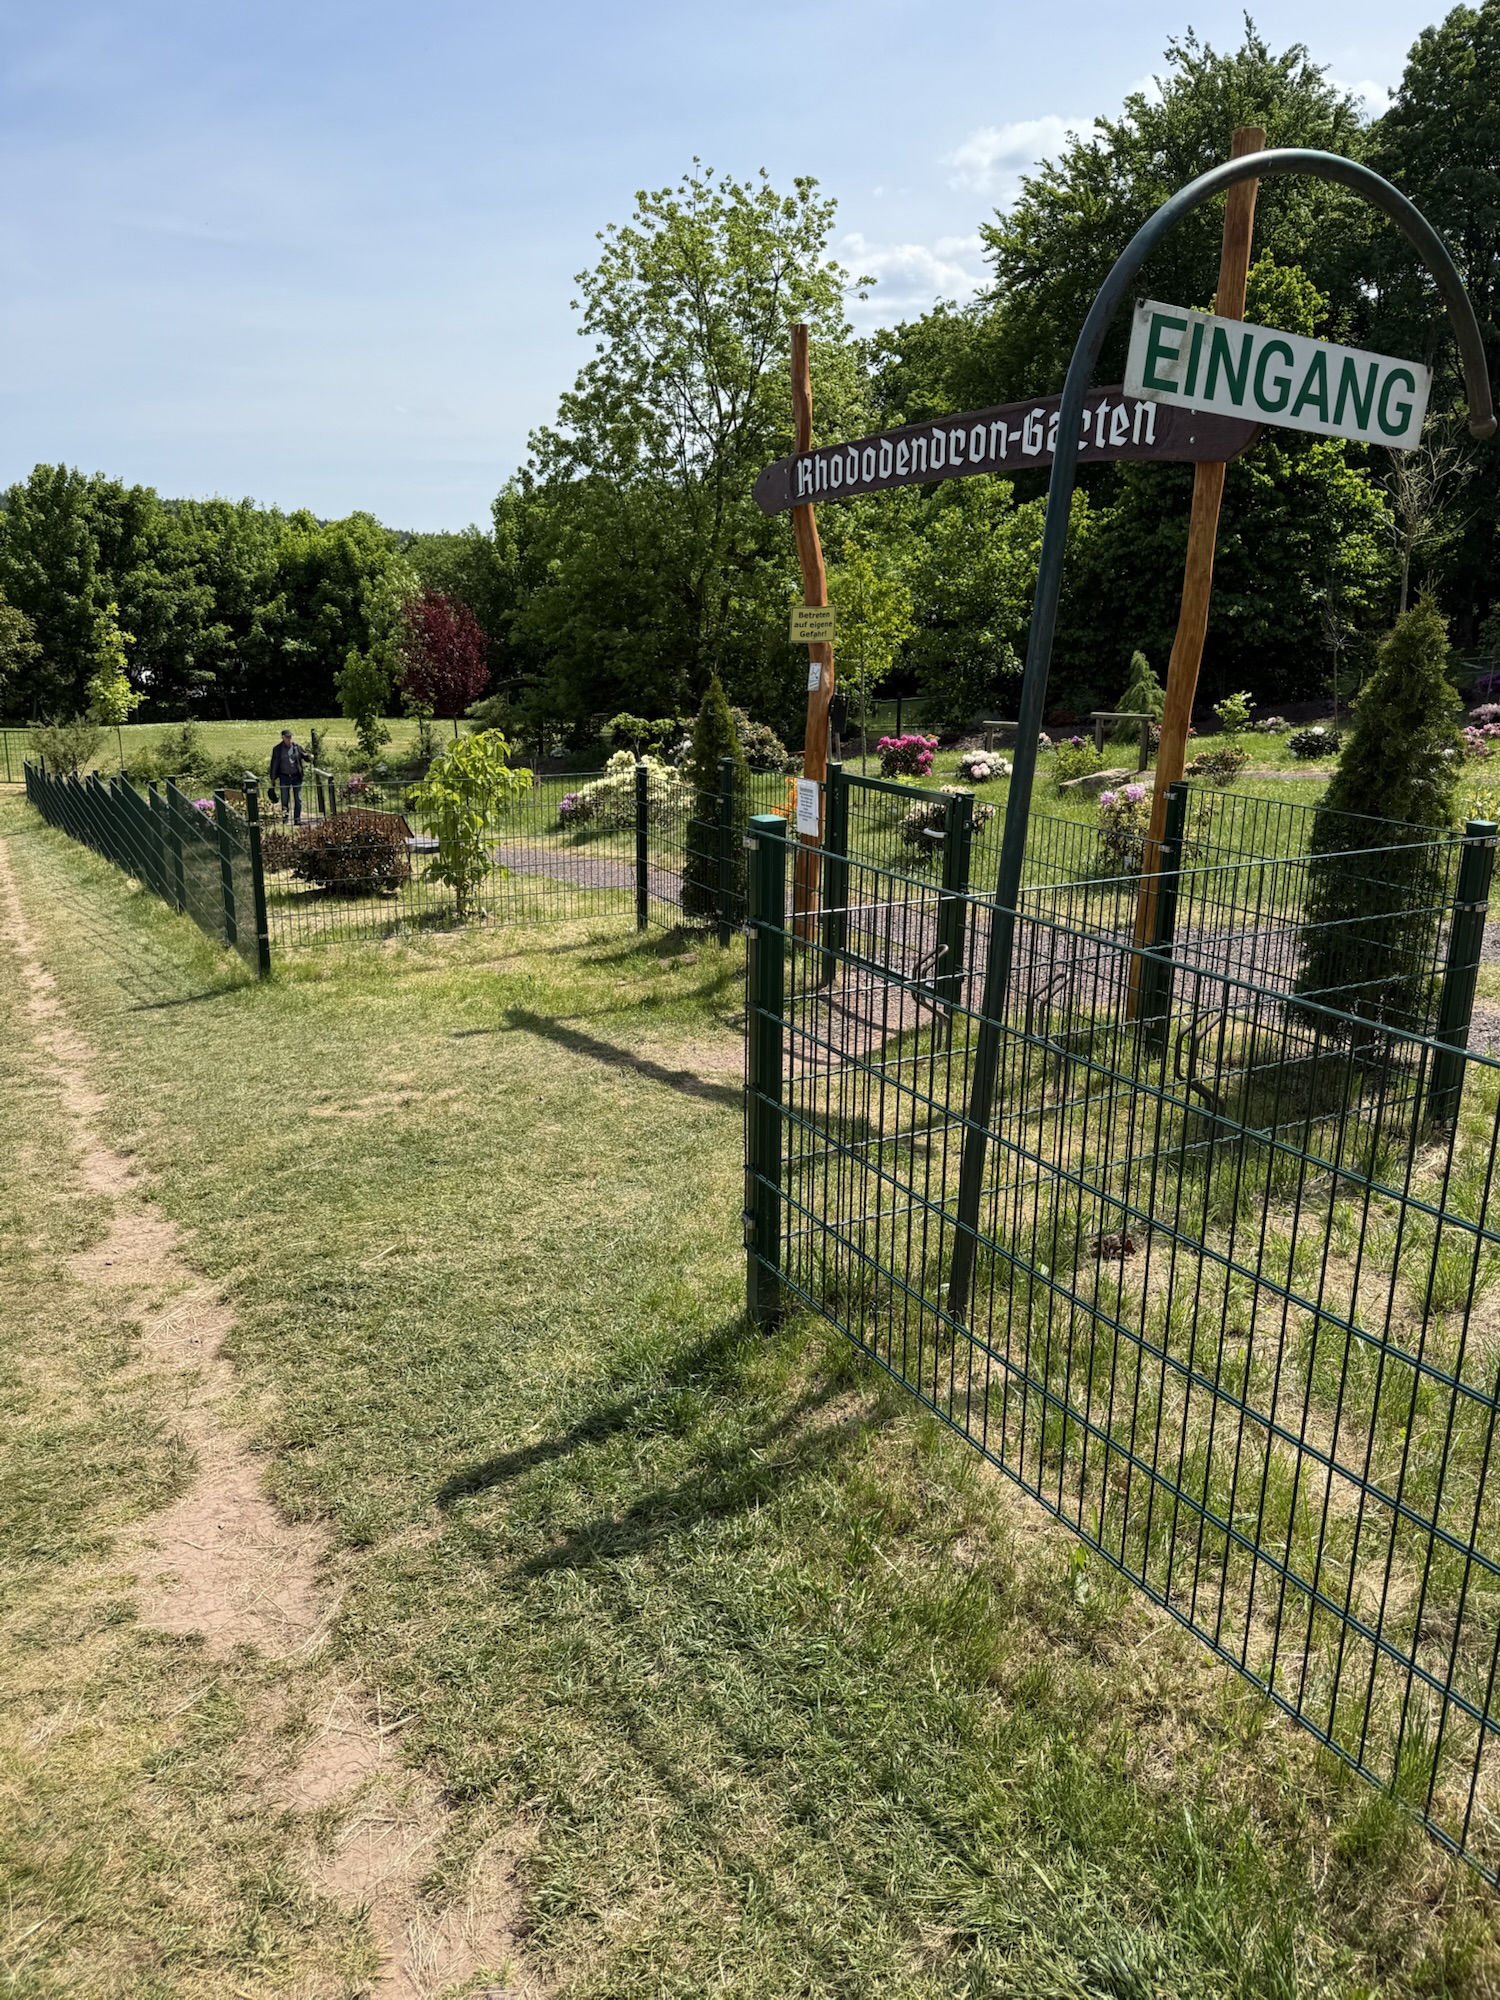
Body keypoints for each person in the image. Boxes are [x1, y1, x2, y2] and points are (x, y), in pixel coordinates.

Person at [269, 729, 307, 824]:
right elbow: (273, 764)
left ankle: (297, 820)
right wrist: (273, 778)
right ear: (282, 737)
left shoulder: (296, 747)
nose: (289, 739)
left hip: (296, 777)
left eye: (290, 737)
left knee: (298, 799)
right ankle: (285, 819)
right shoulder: (277, 749)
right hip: (284, 777)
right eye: (287, 737)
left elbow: (304, 756)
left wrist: (309, 757)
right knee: (285, 799)